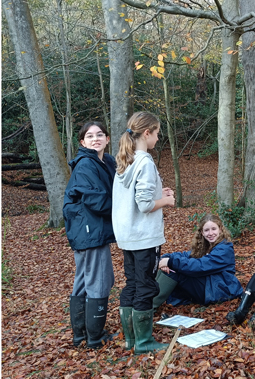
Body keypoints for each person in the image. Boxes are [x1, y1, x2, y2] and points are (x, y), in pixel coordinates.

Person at [112, 112, 175, 354]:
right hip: (144, 236)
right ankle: (144, 342)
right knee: (146, 286)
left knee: (132, 284)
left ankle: (131, 339)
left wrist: (160, 192)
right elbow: (145, 204)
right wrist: (166, 201)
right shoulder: (145, 161)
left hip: (128, 236)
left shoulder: (125, 160)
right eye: (157, 133)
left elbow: (137, 197)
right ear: (146, 133)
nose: (158, 138)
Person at [63, 120, 117, 349]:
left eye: (100, 134)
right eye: (90, 136)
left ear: (107, 138)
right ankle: (94, 337)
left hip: (89, 229)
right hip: (88, 230)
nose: (96, 138)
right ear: (83, 142)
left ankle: (81, 335)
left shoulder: (106, 162)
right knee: (99, 280)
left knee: (85, 280)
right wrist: (125, 208)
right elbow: (97, 201)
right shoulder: (86, 165)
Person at [153, 213, 242, 308]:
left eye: (214, 229)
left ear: (220, 229)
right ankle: (147, 302)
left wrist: (170, 262)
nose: (210, 233)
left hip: (221, 289)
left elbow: (200, 266)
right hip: (209, 285)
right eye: (206, 230)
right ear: (202, 233)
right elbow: (185, 255)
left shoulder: (225, 248)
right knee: (169, 267)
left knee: (174, 270)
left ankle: (148, 308)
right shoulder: (205, 246)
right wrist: (165, 258)